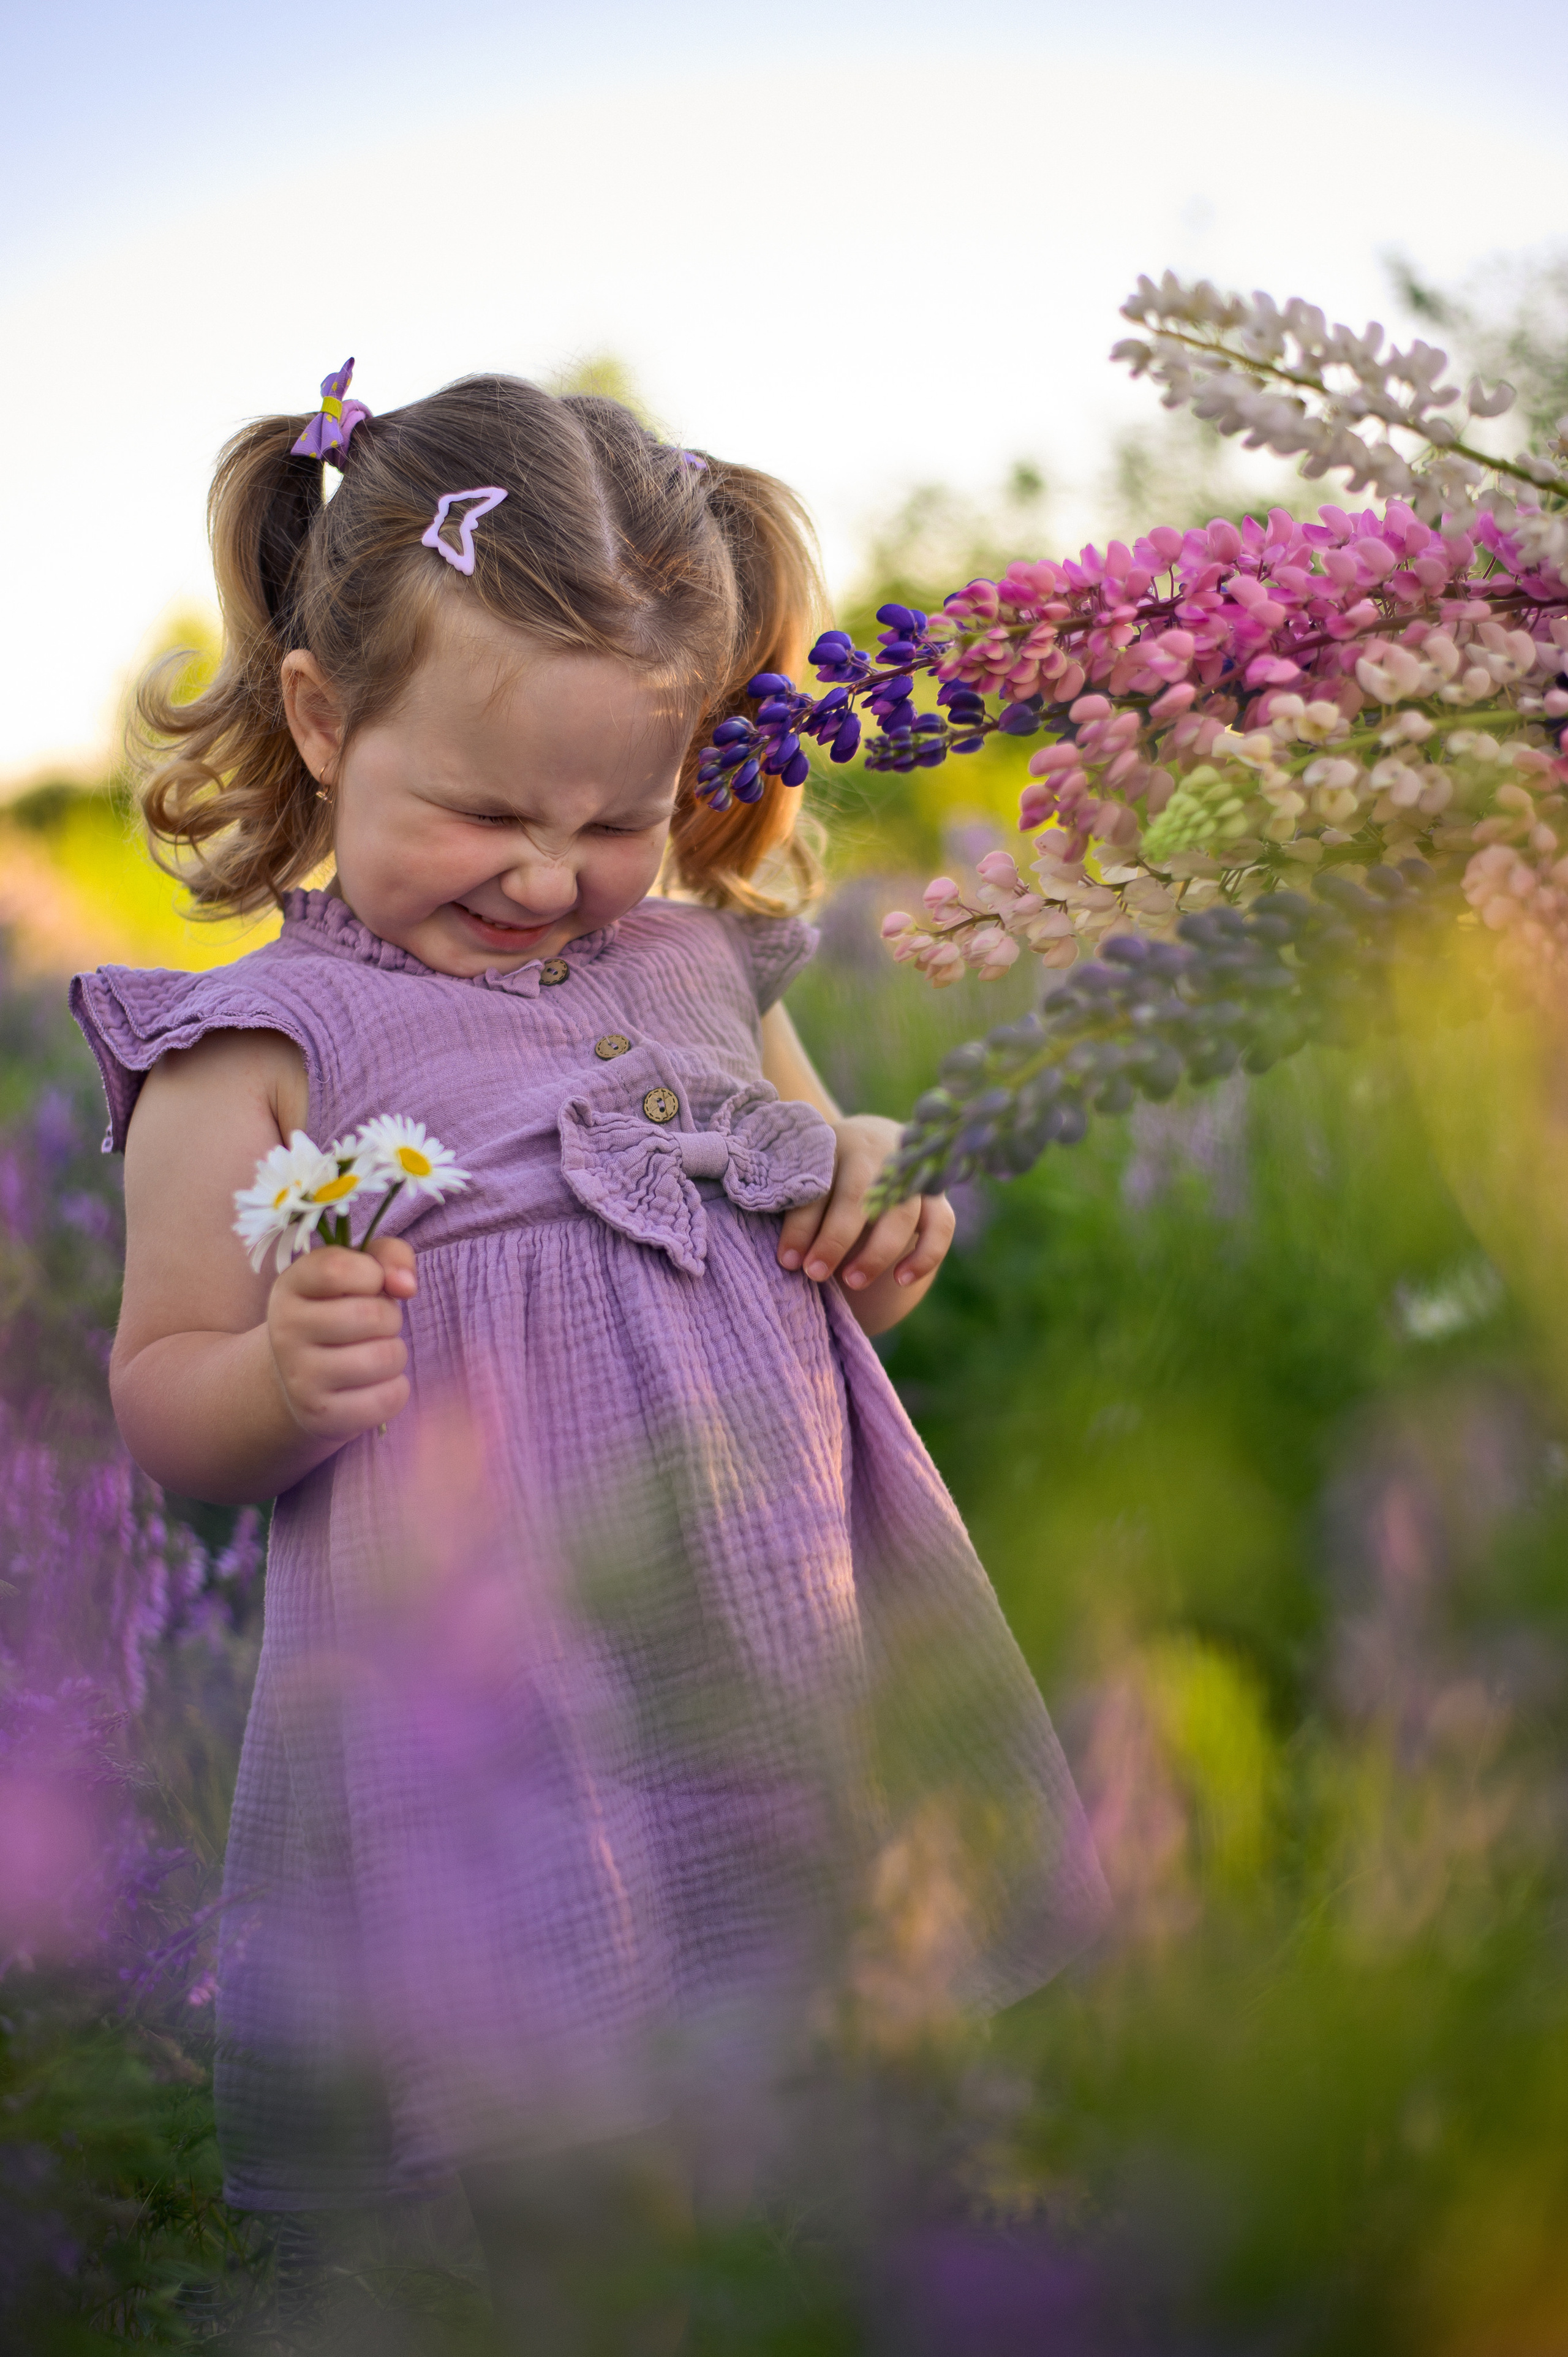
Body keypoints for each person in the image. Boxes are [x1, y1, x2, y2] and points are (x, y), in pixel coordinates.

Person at [72, 362, 1107, 2345]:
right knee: (559, 2175)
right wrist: (281, 1384)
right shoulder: (269, 1046)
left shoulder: (698, 966)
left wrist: (886, 1191)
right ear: (321, 715)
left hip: (777, 1638)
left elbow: (832, 1215)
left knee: (839, 2075)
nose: (550, 879)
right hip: (499, 1695)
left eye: (616, 819)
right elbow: (164, 1392)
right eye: (479, 813)